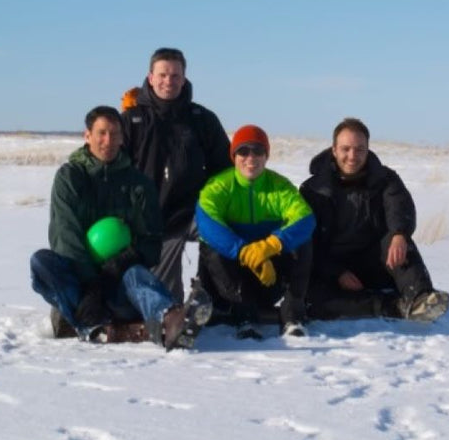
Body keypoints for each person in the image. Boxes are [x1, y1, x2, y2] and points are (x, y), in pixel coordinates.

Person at [29, 105, 210, 349]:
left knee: (137, 275)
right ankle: (88, 322)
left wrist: (123, 262)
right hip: (79, 287)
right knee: (41, 262)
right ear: (87, 136)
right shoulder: (70, 178)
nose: (108, 140)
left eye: (114, 134)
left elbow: (151, 241)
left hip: (119, 284)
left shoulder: (138, 184)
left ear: (123, 137)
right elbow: (65, 236)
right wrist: (91, 286)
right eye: (101, 133)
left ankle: (171, 318)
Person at [299, 118, 449, 323]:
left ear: (368, 150)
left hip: (377, 261)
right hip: (333, 265)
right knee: (310, 299)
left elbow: (400, 207)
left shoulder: (385, 178)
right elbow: (309, 242)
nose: (352, 156)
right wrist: (337, 272)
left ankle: (421, 298)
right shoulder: (313, 189)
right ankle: (391, 306)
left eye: (360, 149)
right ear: (334, 150)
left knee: (398, 240)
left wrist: (399, 234)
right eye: (346, 149)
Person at [121, 47, 232, 302]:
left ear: (184, 79)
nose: (168, 81)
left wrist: (213, 202)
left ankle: (216, 300)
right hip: (153, 219)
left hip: (194, 212)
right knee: (165, 294)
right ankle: (174, 316)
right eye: (162, 75)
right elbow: (117, 172)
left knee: (222, 235)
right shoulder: (132, 121)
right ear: (150, 77)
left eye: (175, 75)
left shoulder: (202, 119)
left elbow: (224, 169)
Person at [195, 124, 315, 338]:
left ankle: (292, 315)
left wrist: (270, 246)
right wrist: (245, 253)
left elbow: (305, 219)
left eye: (258, 151)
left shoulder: (279, 186)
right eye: (243, 151)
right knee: (210, 247)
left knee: (302, 243)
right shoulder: (219, 186)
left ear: (266, 156)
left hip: (269, 278)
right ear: (234, 156)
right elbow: (207, 222)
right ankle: (244, 316)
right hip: (232, 282)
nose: (251, 157)